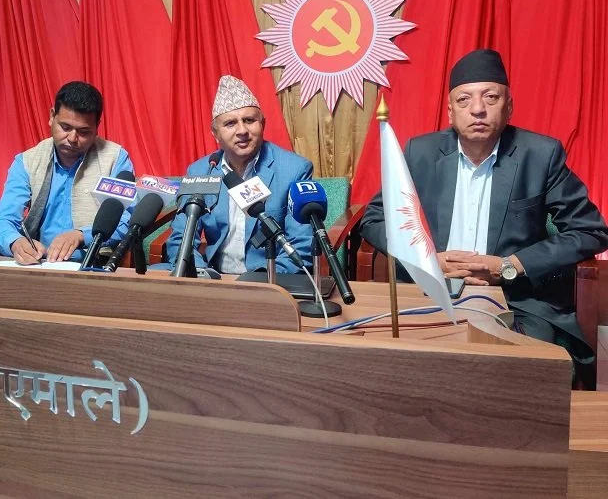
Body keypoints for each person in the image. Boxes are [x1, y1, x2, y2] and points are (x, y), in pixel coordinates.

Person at [360, 49, 608, 381]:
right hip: (432, 292)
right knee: (390, 370)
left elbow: (590, 231)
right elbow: (375, 219)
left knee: (519, 377)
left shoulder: (540, 155)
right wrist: (427, 259)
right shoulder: (421, 152)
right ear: (450, 112)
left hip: (516, 300)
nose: (477, 109)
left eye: (490, 97)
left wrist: (510, 265)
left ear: (509, 106)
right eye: (464, 100)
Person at [162, 75, 313, 274]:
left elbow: (301, 246)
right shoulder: (200, 171)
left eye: (249, 120)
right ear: (215, 133)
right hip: (213, 277)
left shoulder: (294, 169)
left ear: (263, 124)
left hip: (269, 279)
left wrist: (258, 282)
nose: (242, 130)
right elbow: (182, 237)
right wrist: (199, 274)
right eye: (230, 123)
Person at [0, 81, 134, 265]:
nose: (72, 138)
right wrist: (15, 242)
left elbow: (127, 220)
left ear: (97, 127)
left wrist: (81, 236)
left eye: (84, 132)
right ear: (52, 116)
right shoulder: (26, 162)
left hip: (92, 262)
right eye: (65, 128)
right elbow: (3, 220)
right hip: (39, 263)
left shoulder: (115, 158)